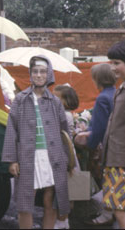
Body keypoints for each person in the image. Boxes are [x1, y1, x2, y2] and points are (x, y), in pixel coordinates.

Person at [2, 55, 70, 229]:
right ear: (30, 74)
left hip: (52, 157)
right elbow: (11, 129)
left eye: (43, 72)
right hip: (28, 156)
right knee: (26, 199)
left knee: (50, 199)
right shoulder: (21, 100)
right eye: (35, 72)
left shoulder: (55, 102)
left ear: (49, 75)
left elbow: (64, 132)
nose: (39, 75)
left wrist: (67, 160)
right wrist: (12, 159)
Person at [74, 63, 116, 226]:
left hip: (108, 146)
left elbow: (99, 128)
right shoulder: (115, 93)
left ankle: (107, 213)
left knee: (107, 179)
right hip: (118, 143)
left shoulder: (103, 98)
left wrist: (88, 143)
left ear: (97, 79)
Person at [101, 40, 125, 229]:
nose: (112, 68)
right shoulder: (124, 86)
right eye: (111, 63)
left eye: (116, 63)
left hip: (124, 163)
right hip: (117, 162)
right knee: (120, 210)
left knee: (122, 211)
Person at [52, 84, 80, 229]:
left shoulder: (64, 115)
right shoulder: (67, 114)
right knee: (69, 190)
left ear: (65, 101)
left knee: (65, 191)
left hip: (65, 154)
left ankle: (62, 221)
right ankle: (64, 220)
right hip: (67, 152)